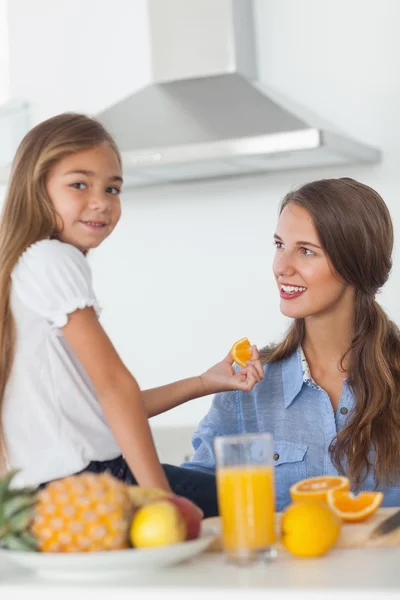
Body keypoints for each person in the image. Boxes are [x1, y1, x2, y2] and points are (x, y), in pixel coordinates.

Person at [0, 112, 264, 516]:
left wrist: (202, 382)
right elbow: (113, 387)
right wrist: (162, 502)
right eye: (79, 184)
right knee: (252, 503)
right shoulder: (53, 258)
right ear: (35, 188)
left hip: (43, 497)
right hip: (92, 481)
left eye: (113, 188)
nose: (101, 202)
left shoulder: (24, 268)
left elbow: (101, 406)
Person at [182, 177, 400, 513]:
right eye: (279, 245)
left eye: (306, 251)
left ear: (354, 262)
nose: (281, 268)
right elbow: (194, 506)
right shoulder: (245, 387)